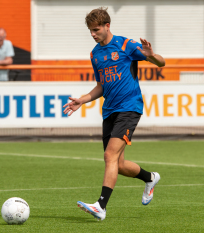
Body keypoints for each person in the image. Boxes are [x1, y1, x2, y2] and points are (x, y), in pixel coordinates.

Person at [63, 7, 165, 221]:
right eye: (90, 30)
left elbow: (161, 63)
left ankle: (101, 206)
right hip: (109, 110)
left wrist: (151, 55)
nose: (92, 34)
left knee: (109, 156)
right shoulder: (95, 54)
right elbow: (100, 85)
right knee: (117, 164)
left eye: (96, 29)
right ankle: (150, 178)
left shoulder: (126, 45)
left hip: (129, 108)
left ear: (107, 26)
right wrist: (82, 100)